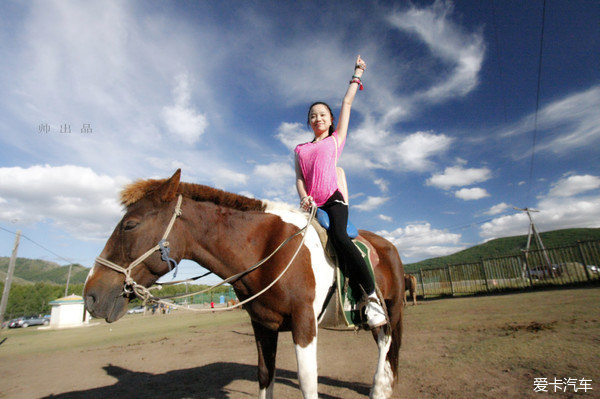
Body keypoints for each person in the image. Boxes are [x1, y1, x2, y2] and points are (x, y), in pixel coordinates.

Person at [294, 55, 387, 329]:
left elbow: (347, 102)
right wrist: (303, 196)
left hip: (333, 202)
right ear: (309, 122)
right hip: (311, 206)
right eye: (313, 115)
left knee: (338, 237)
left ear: (330, 119)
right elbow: (300, 178)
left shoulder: (336, 140)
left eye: (322, 114)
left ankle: (370, 297)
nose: (317, 118)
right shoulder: (301, 149)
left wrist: (357, 73)